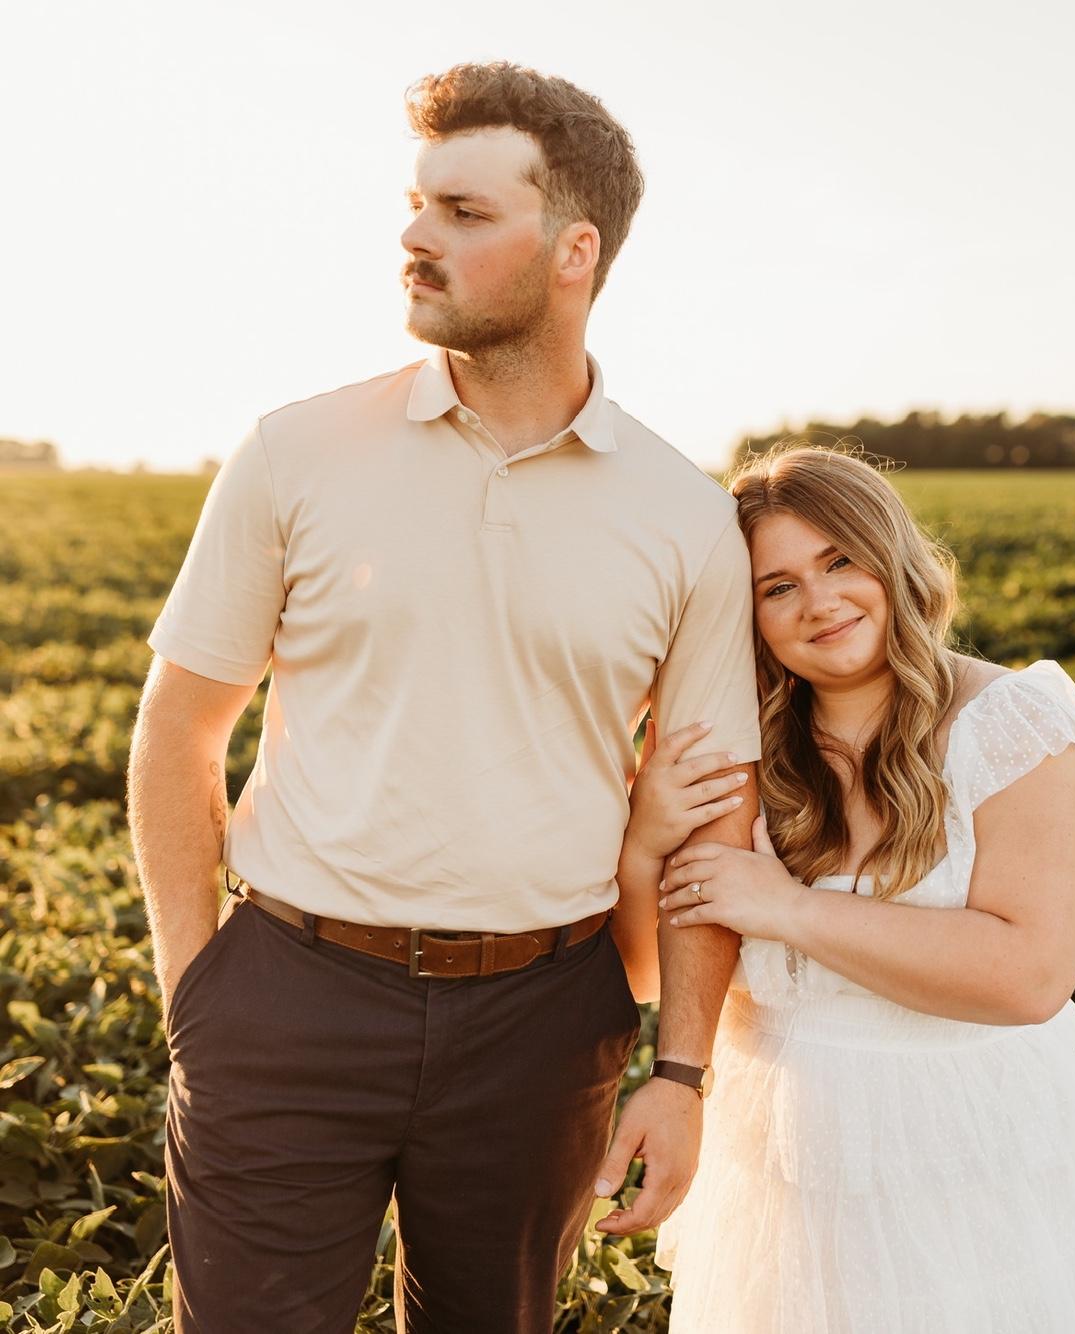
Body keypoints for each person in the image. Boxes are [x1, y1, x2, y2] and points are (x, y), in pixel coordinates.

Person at [126, 62, 760, 1333]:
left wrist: (679, 1069)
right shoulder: (295, 451)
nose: (417, 237)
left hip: (544, 1021)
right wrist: (197, 987)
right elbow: (179, 728)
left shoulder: (683, 516)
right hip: (288, 997)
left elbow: (712, 823)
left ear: (573, 248)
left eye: (466, 213)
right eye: (416, 206)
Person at [630, 447, 1075, 1332]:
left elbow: (1029, 976)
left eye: (839, 561)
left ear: (893, 558)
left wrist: (787, 907)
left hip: (974, 1152)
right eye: (777, 586)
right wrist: (643, 838)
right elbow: (651, 981)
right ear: (745, 617)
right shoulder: (734, 755)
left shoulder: (1015, 728)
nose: (819, 601)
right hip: (780, 1163)